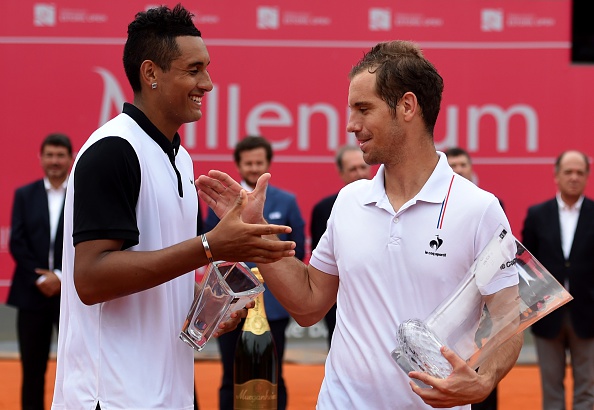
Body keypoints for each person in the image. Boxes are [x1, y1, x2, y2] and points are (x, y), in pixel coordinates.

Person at [197, 40, 524, 409]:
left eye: (363, 109)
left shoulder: (480, 209)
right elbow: (308, 305)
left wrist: (483, 380)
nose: (351, 125)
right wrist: (254, 230)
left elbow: (507, 319)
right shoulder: (349, 200)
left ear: (407, 106)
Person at [50, 5, 295, 410]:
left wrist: (207, 303)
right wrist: (211, 246)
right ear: (151, 74)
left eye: (207, 68)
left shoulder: (181, 158)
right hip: (109, 398)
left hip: (168, 394)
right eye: (194, 69)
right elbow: (91, 279)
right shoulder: (113, 150)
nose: (209, 83)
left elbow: (158, 270)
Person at [203, 135, 305, 410]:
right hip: (231, 305)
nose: (253, 168)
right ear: (238, 165)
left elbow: (298, 250)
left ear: (268, 163)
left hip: (273, 305)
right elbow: (211, 249)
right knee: (230, 374)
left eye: (259, 162)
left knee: (273, 375)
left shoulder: (286, 201)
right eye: (248, 163)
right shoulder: (223, 203)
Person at [521, 150, 594, 410]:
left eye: (579, 172)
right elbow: (526, 264)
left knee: (588, 390)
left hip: (588, 314)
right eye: (568, 172)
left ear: (587, 176)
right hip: (547, 312)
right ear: (556, 175)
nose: (574, 177)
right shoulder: (538, 214)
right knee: (551, 389)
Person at [7, 133, 73, 410]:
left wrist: (60, 276)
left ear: (70, 158)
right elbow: (16, 242)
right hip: (31, 294)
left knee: (73, 367)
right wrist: (40, 277)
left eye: (60, 155)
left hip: (71, 295)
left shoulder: (81, 194)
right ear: (41, 158)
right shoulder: (25, 195)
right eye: (50, 155)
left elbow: (83, 241)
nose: (55, 161)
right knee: (32, 370)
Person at [445, 146, 499, 410]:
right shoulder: (434, 209)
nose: (457, 170)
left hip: (485, 314)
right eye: (451, 165)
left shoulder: (489, 205)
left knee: (484, 383)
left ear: (471, 169)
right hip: (446, 319)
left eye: (462, 165)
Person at [310, 144, 370, 349]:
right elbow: (322, 259)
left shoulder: (390, 203)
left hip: (378, 298)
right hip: (338, 301)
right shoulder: (324, 209)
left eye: (363, 167)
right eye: (353, 169)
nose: (359, 173)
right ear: (342, 174)